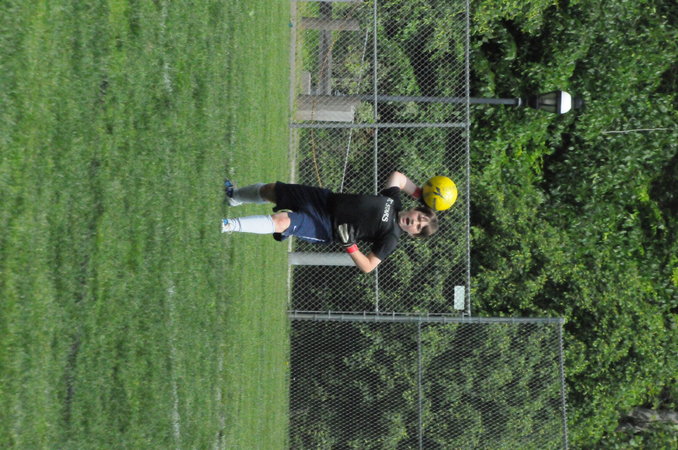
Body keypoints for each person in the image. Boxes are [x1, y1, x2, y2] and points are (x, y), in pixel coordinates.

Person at [221, 171, 438, 273]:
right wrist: (422, 195)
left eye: (418, 227)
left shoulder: (391, 238)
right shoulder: (394, 201)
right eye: (419, 218)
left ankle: (229, 225)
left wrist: (350, 246)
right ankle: (234, 196)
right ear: (415, 209)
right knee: (271, 190)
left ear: (413, 234)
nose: (415, 223)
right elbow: (398, 177)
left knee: (281, 222)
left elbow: (368, 266)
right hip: (325, 200)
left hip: (326, 227)